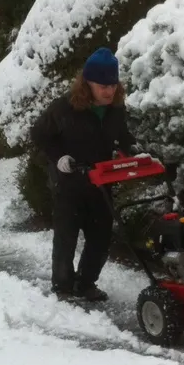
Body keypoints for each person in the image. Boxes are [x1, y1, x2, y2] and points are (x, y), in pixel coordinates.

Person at [31, 47, 137, 302]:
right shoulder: (64, 108)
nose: (109, 91)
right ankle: (63, 286)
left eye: (112, 85)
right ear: (87, 83)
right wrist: (59, 158)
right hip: (69, 181)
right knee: (66, 237)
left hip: (101, 181)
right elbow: (39, 134)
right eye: (103, 86)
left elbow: (122, 135)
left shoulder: (115, 109)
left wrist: (131, 150)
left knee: (101, 237)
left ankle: (86, 283)